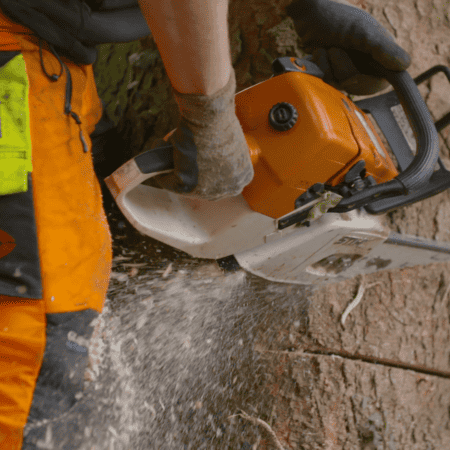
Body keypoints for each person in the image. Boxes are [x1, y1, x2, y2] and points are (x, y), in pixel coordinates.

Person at [0, 0, 410, 448]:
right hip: (16, 58)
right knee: (42, 345)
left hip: (55, 52)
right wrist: (210, 113)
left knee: (102, 203)